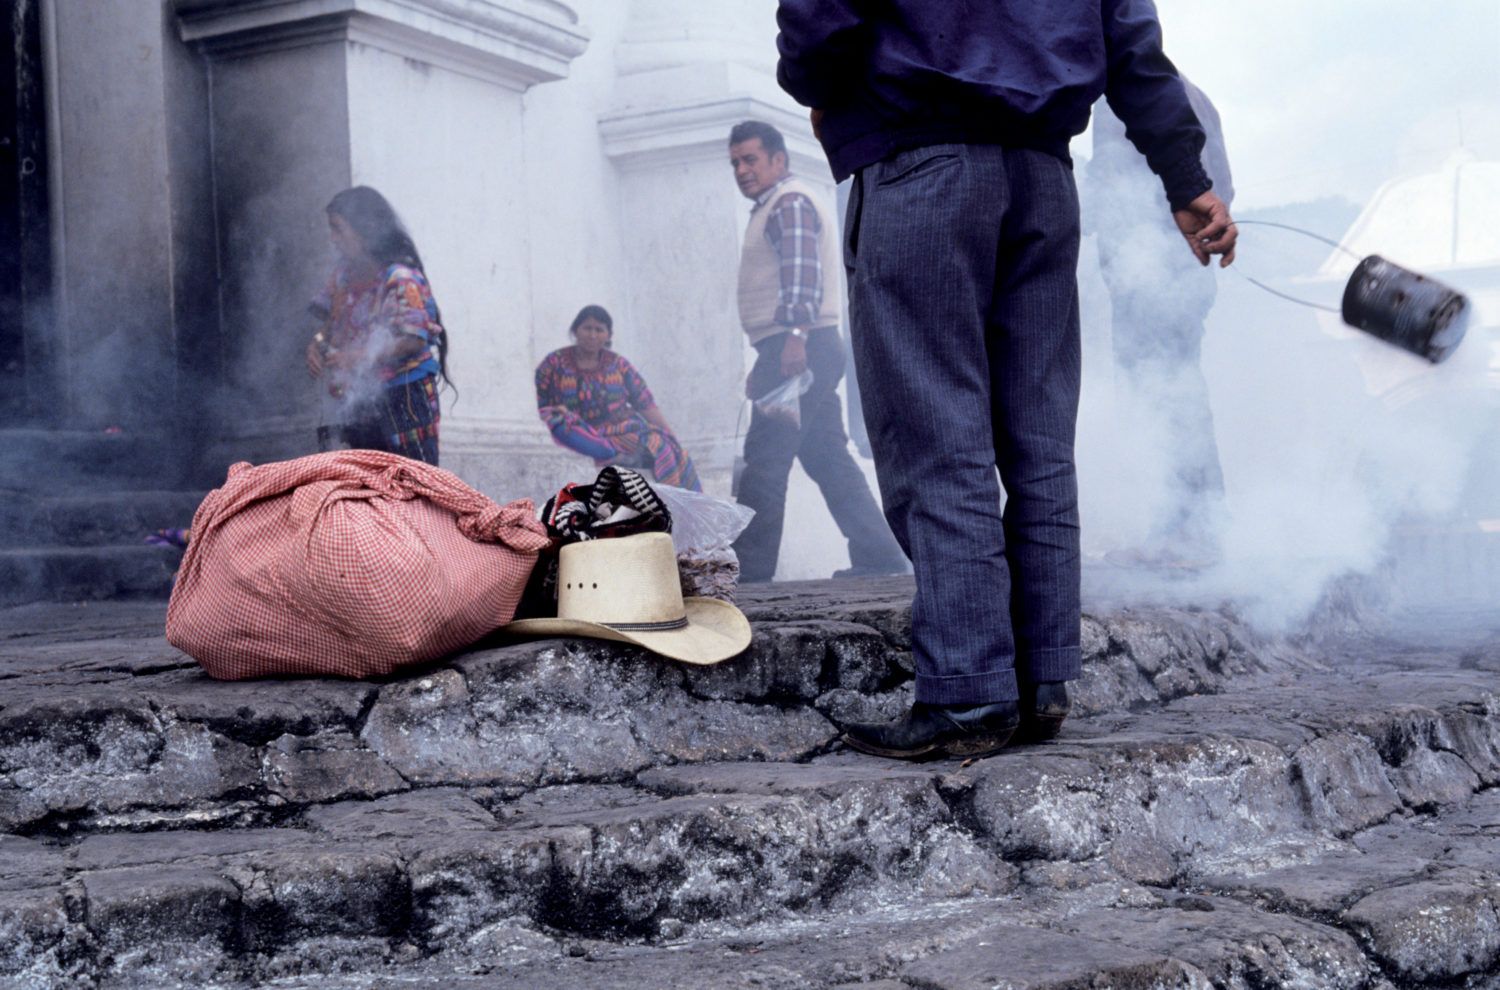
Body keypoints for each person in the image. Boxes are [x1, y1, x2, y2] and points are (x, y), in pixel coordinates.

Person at [776, 0, 1237, 758]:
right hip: (1043, 180)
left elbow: (821, 19)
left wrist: (823, 85)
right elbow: (1133, 47)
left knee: (937, 434)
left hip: (922, 165)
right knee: (1040, 439)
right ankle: (1041, 681)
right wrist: (1186, 178)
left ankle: (967, 692)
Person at [727, 119, 906, 583]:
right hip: (798, 345)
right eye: (736, 163)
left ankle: (749, 572)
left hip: (801, 342)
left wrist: (793, 339)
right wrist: (772, 351)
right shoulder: (778, 204)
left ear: (777, 160)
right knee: (826, 454)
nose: (743, 170)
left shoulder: (788, 203)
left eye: (750, 160)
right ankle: (880, 554)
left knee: (765, 458)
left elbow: (801, 273)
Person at [1089, 77, 1234, 567]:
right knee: (1179, 390)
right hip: (1186, 269)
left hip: (1150, 271)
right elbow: (1224, 186)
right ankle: (1195, 529)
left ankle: (1188, 534)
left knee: (1163, 395)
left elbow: (1111, 189)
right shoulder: (1197, 96)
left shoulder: (1121, 98)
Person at [305, 186, 451, 465]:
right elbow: (330, 323)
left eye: (338, 229)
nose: (333, 239)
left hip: (404, 397)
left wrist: (353, 358)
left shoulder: (401, 278)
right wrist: (317, 343)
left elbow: (414, 339)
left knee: (412, 485)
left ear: (365, 230)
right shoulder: (343, 277)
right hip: (361, 398)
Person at [535, 304, 702, 492]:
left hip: (618, 430)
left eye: (599, 330)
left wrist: (672, 437)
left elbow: (644, 402)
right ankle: (608, 452)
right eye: (587, 328)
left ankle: (681, 505)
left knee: (661, 444)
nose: (592, 335)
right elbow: (538, 400)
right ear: (575, 330)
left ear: (608, 335)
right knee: (560, 423)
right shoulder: (554, 362)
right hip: (576, 429)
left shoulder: (619, 365)